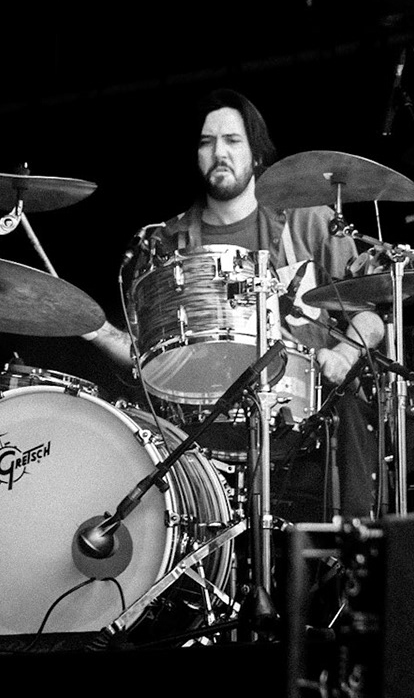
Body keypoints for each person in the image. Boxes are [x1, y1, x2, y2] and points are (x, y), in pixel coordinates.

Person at [86, 88, 384, 520]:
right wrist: (93, 327)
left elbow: (370, 320)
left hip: (307, 420)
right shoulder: (166, 242)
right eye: (207, 143)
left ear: (256, 153)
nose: (219, 153)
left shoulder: (309, 219)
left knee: (352, 417)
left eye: (232, 140)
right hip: (202, 429)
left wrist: (343, 354)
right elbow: (147, 358)